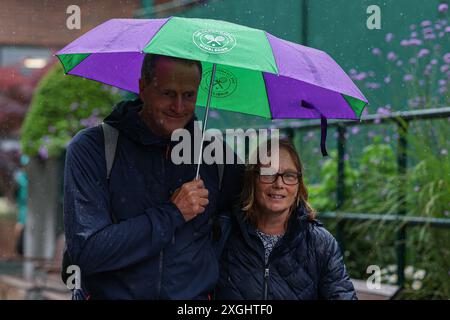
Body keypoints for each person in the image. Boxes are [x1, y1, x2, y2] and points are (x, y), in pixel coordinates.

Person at [63, 54, 243, 299]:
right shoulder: (94, 148)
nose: (179, 107)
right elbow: (87, 253)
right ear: (142, 88)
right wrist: (173, 213)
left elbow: (265, 219)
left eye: (189, 95)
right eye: (168, 93)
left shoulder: (216, 157)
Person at [215, 139, 357, 300]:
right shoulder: (223, 231)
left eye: (289, 175)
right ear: (252, 180)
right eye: (269, 173)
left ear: (298, 185)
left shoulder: (320, 243)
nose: (279, 183)